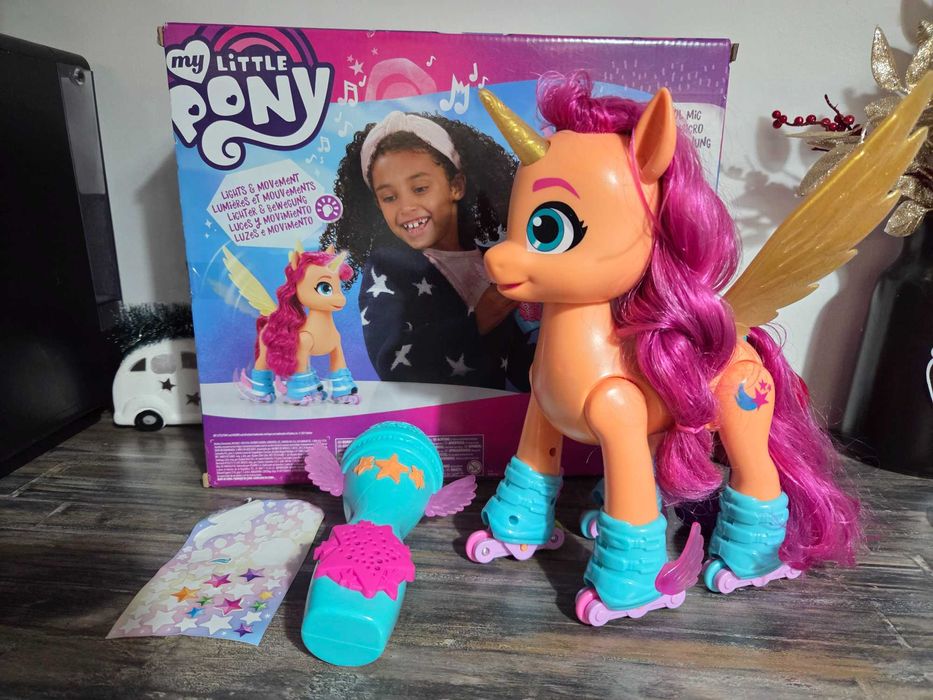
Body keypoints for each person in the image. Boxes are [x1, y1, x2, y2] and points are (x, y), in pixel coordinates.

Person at [320, 111, 534, 389]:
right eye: (389, 197)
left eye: (420, 188)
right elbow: (391, 362)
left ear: (456, 186)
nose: (406, 207)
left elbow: (521, 358)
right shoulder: (388, 269)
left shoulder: (493, 259)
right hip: (443, 413)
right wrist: (478, 320)